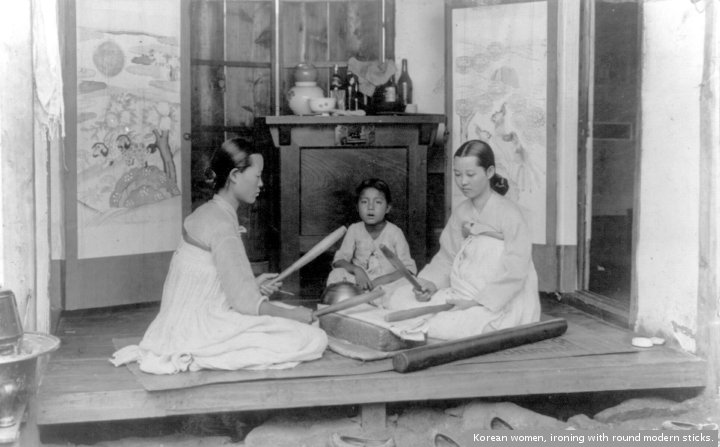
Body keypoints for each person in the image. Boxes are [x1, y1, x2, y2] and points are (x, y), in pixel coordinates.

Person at [111, 138, 327, 374]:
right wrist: (292, 314)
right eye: (257, 176)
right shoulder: (222, 225)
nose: (261, 183)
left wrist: (251, 285)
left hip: (179, 321)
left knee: (284, 316)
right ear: (234, 175)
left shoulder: (207, 211)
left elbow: (207, 278)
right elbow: (245, 303)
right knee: (311, 337)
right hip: (202, 325)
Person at [385, 140, 540, 340]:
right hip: (463, 290)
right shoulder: (461, 212)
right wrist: (430, 284)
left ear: (490, 172)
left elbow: (516, 269)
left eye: (470, 174)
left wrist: (477, 302)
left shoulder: (510, 214)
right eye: (458, 174)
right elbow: (447, 257)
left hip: (498, 297)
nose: (463, 182)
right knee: (400, 298)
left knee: (451, 324)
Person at [327, 178, 416, 297]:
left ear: (388, 208)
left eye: (378, 202)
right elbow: (339, 261)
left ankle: (372, 300)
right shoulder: (354, 229)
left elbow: (408, 269)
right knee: (336, 274)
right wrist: (357, 270)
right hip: (360, 282)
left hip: (386, 283)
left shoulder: (395, 232)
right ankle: (357, 297)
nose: (370, 207)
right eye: (364, 202)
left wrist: (380, 281)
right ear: (357, 207)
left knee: (407, 282)